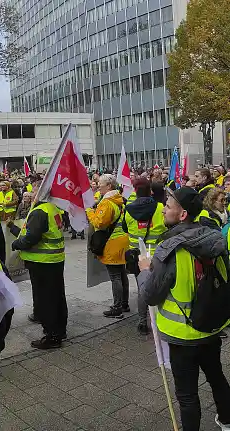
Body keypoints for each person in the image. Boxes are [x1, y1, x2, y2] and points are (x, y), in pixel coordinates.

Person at [138, 187, 230, 431]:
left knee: (187, 394)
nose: (163, 210)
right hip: (211, 326)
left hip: (183, 335)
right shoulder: (215, 239)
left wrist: (145, 271)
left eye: (168, 206)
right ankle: (227, 420)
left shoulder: (169, 249)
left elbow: (150, 295)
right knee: (216, 376)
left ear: (182, 214)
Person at [10, 178, 67, 349]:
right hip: (54, 260)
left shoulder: (39, 212)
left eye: (34, 190)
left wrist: (16, 244)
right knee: (57, 297)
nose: (31, 193)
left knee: (46, 299)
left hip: (42, 263)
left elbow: (31, 238)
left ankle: (52, 335)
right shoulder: (52, 208)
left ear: (41, 193)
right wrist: (14, 229)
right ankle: (60, 330)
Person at [121, 178, 166, 335]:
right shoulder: (160, 207)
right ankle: (159, 319)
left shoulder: (128, 209)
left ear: (135, 191)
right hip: (157, 255)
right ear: (150, 191)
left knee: (142, 288)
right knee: (160, 287)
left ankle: (142, 322)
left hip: (137, 256)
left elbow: (125, 228)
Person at [86, 174, 130, 318]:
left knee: (115, 276)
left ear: (109, 186)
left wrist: (89, 211)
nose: (98, 186)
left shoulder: (107, 202)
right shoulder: (119, 199)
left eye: (101, 184)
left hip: (113, 242)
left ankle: (117, 308)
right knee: (122, 274)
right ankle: (124, 304)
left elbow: (99, 223)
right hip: (122, 240)